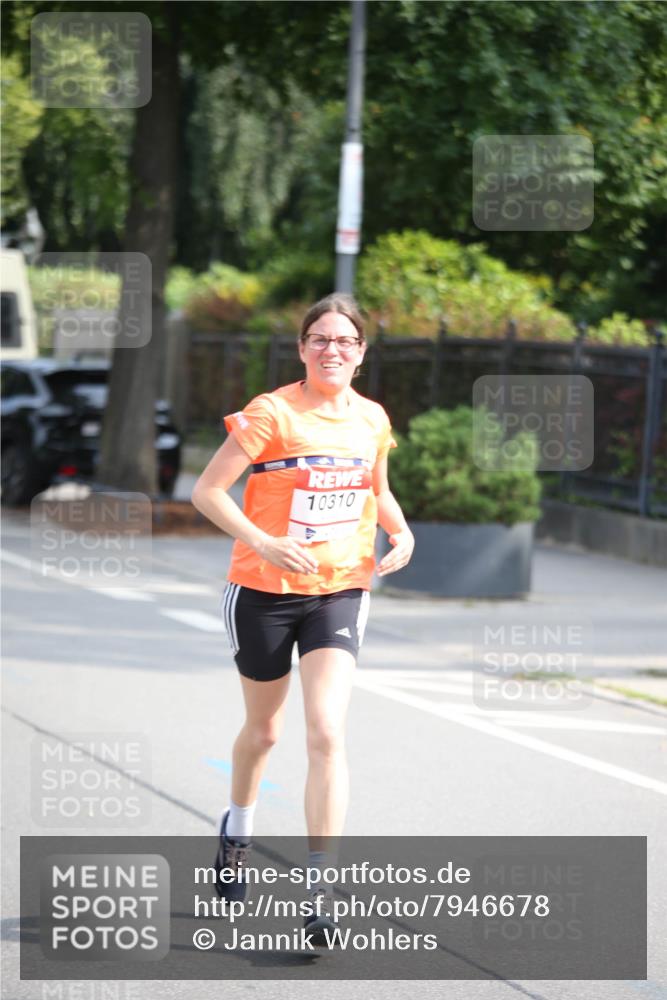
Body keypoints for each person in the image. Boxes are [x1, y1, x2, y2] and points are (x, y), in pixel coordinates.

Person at [191, 293, 414, 944]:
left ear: (361, 353)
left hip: (339, 587)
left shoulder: (371, 419)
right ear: (301, 348)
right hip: (261, 588)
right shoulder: (271, 413)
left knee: (325, 732)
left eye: (344, 341)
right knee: (263, 734)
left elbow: (376, 489)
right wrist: (261, 541)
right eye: (319, 339)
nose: (331, 350)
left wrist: (401, 534)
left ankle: (321, 891)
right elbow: (208, 490)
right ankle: (237, 824)